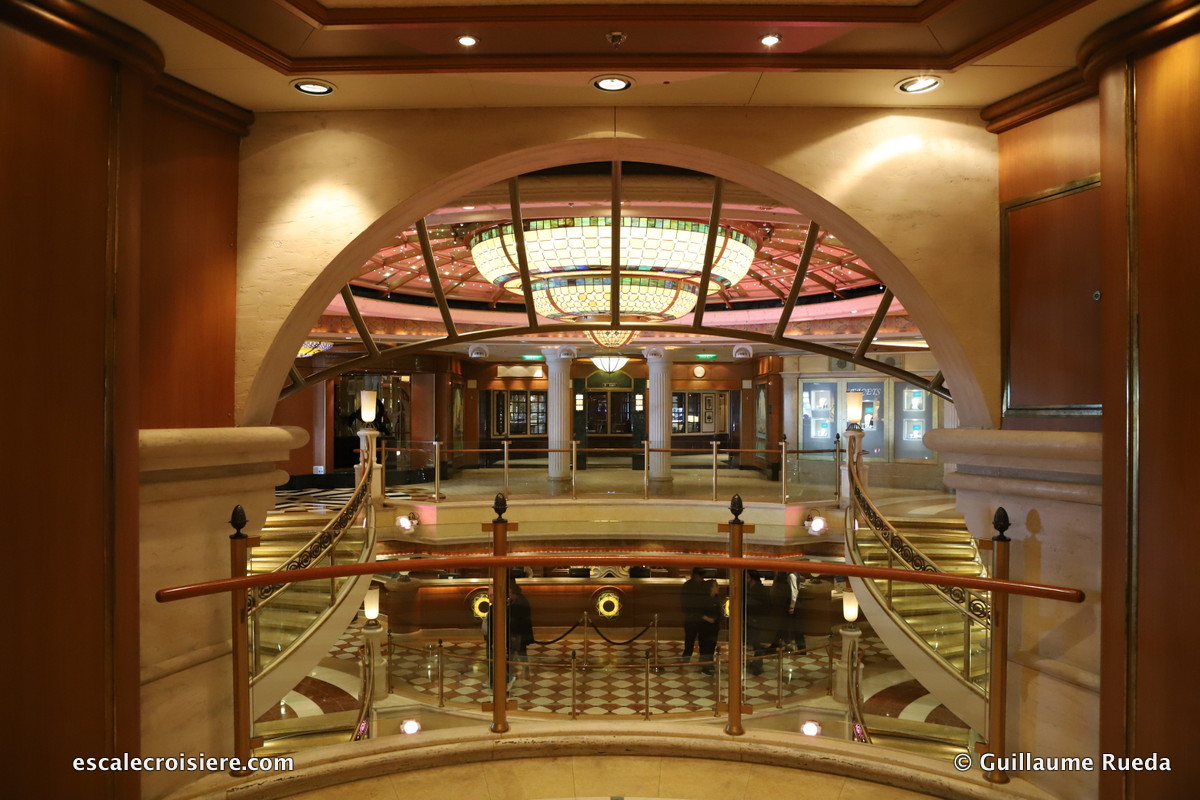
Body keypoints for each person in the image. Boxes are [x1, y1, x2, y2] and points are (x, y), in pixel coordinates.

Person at [679, 567, 711, 665]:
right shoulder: (688, 586)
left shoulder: (701, 585)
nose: (701, 578)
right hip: (692, 618)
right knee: (690, 640)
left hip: (698, 618)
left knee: (701, 641)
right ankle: (687, 658)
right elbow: (684, 602)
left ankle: (700, 660)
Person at [745, 570, 772, 676]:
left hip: (758, 619)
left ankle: (758, 664)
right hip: (750, 619)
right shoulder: (747, 587)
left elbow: (767, 606)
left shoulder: (761, 590)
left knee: (756, 642)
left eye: (747, 577)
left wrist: (758, 618)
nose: (745, 579)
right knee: (754, 641)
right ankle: (756, 662)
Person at [507, 576, 534, 682]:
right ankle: (522, 670)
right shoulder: (520, 601)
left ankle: (509, 671)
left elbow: (516, 621)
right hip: (520, 633)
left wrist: (514, 635)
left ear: (514, 593)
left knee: (514, 652)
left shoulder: (518, 604)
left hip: (518, 634)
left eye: (510, 593)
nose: (509, 595)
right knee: (520, 652)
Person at [770, 571, 800, 650]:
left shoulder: (791, 575)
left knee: (789, 626)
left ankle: (800, 648)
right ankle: (777, 644)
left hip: (788, 605)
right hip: (783, 604)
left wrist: (792, 606)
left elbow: (794, 591)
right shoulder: (784, 574)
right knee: (783, 625)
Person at [697, 579, 722, 675]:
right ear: (710, 588)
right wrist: (707, 618)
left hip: (714, 627)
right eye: (716, 586)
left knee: (712, 645)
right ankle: (705, 666)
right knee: (705, 646)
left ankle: (709, 663)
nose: (718, 588)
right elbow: (698, 612)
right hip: (705, 627)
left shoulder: (716, 599)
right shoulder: (703, 600)